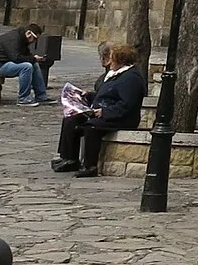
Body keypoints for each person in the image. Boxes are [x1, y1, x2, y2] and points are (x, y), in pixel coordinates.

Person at [51, 43, 144, 177]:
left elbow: (127, 105)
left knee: (91, 127)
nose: (109, 61)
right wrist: (88, 96)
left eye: (112, 58)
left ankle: (90, 165)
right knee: (72, 120)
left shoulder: (131, 79)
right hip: (102, 110)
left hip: (120, 117)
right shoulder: (115, 74)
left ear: (121, 60)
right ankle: (69, 158)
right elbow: (106, 95)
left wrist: (104, 112)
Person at [0, 23, 49, 105]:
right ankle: (23, 98)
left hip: (3, 63)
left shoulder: (22, 39)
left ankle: (41, 96)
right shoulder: (13, 39)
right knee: (26, 67)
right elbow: (16, 57)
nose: (34, 42)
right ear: (29, 34)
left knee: (34, 64)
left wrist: (33, 59)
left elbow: (25, 55)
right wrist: (33, 58)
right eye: (35, 39)